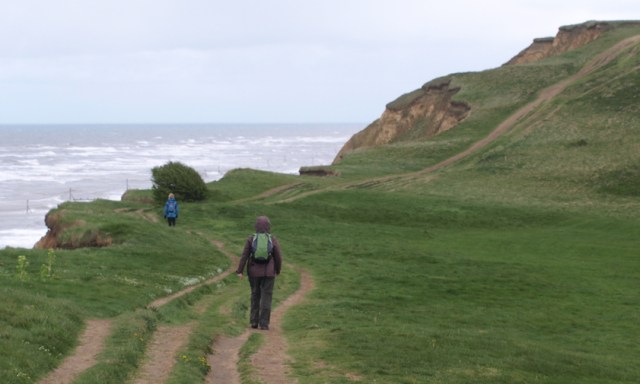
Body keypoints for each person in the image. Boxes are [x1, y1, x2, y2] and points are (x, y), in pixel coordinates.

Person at [236, 216, 282, 330]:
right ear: (268, 226)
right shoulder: (273, 239)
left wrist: (240, 271)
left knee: (255, 295)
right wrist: (277, 270)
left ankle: (254, 322)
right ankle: (264, 324)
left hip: (253, 272)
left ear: (256, 226)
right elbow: (278, 257)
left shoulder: (251, 239)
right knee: (266, 297)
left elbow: (244, 256)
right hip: (269, 273)